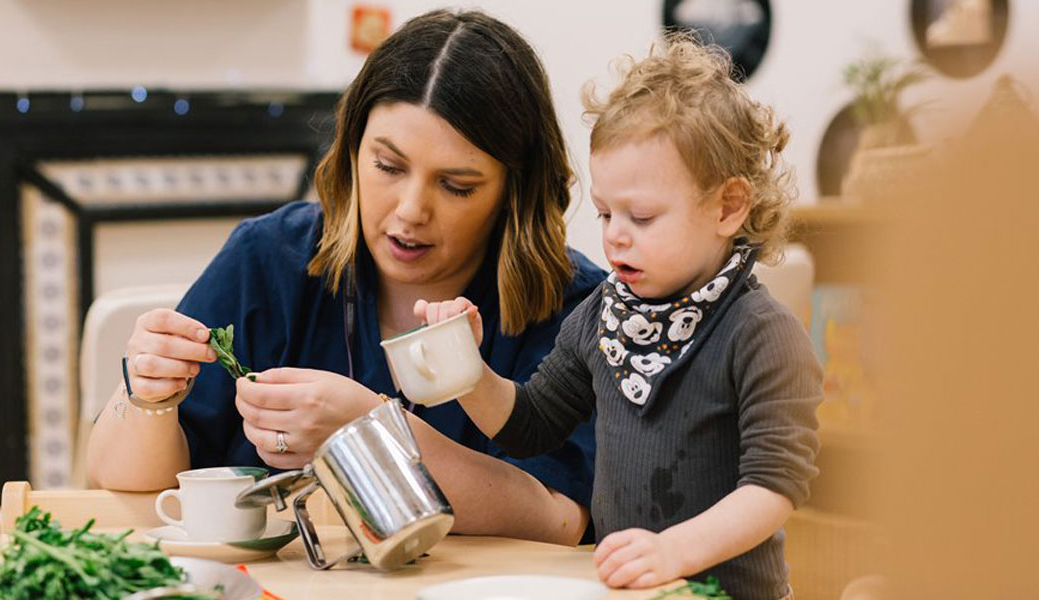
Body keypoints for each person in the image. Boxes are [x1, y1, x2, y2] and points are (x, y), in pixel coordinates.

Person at [87, 8, 605, 546]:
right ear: (353, 148)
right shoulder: (268, 258)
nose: (410, 211)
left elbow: (558, 519)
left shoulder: (576, 307)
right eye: (387, 166)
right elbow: (119, 480)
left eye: (456, 185)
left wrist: (371, 434)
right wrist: (148, 397)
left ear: (513, 192)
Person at [414, 34, 821, 598]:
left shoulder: (762, 334)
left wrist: (673, 550)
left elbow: (776, 487)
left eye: (643, 216)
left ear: (728, 206)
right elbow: (529, 425)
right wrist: (466, 369)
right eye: (605, 213)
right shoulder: (602, 316)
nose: (614, 236)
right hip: (628, 589)